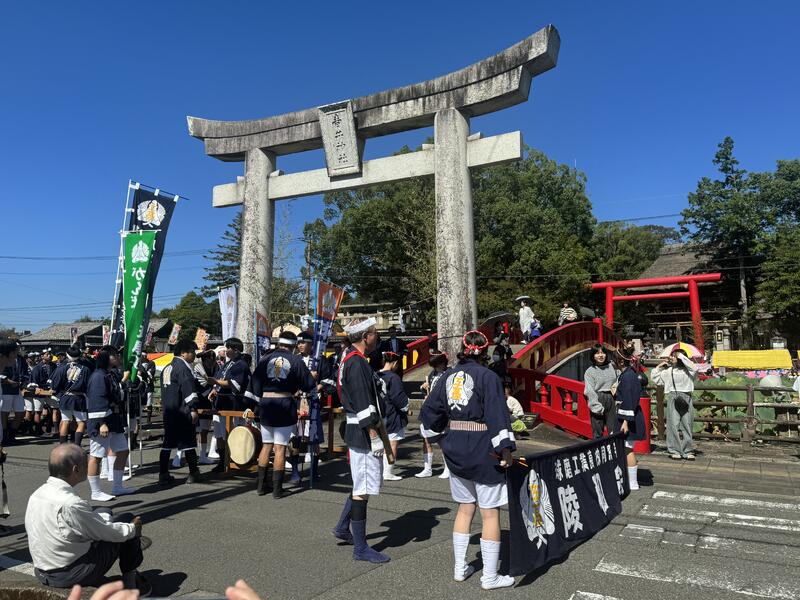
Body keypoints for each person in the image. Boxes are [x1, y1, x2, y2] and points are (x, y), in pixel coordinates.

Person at [421, 330, 516, 590]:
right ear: (484, 351)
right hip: (483, 447)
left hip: (455, 447)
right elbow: (497, 414)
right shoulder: (488, 376)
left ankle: (460, 568)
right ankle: (490, 576)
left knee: (465, 508)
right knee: (490, 513)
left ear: (463, 350)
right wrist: (506, 449)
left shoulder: (447, 376)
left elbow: (429, 411)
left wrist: (440, 438)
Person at [24, 444, 149, 593]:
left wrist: (103, 519)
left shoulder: (37, 494)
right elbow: (109, 533)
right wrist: (133, 529)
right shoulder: (70, 503)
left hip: (42, 570)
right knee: (128, 522)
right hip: (69, 573)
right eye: (86, 463)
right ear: (75, 469)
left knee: (104, 511)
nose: (89, 466)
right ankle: (131, 583)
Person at [330, 317, 391, 564]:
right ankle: (361, 548)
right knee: (363, 490)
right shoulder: (356, 362)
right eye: (375, 333)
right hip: (363, 431)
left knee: (359, 483)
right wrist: (374, 437)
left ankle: (342, 527)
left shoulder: (350, 358)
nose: (377, 337)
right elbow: (363, 403)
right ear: (365, 337)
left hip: (358, 428)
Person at [246, 331, 315, 498]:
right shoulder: (296, 360)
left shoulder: (264, 359)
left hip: (266, 404)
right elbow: (308, 385)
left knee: (266, 445)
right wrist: (308, 379)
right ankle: (277, 489)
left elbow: (254, 383)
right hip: (283, 404)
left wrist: (254, 405)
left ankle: (261, 486)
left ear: (278, 344)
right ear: (293, 346)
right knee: (280, 448)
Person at [84, 347, 136, 501]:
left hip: (113, 418)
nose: (118, 357)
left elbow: (118, 389)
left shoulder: (110, 373)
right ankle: (95, 492)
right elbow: (96, 401)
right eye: (115, 355)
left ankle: (117, 486)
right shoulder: (98, 376)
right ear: (107, 357)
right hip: (102, 420)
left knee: (123, 450)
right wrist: (101, 423)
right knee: (96, 456)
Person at [159, 339, 203, 485]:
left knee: (167, 443)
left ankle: (163, 473)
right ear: (183, 353)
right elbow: (188, 389)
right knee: (188, 443)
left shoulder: (167, 367)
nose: (194, 355)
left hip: (169, 411)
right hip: (182, 411)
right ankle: (193, 473)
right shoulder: (183, 368)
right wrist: (193, 408)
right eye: (192, 352)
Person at [207, 338, 251, 474]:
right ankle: (222, 461)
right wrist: (214, 389)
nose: (226, 350)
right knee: (219, 434)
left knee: (230, 434)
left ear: (236, 350)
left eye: (228, 348)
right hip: (220, 403)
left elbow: (234, 384)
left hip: (232, 404)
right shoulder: (227, 364)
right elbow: (220, 380)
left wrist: (215, 382)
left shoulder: (241, 364)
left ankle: (233, 461)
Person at [652, 348, 698, 460]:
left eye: (673, 356)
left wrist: (680, 355)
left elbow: (695, 368)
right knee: (673, 425)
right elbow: (656, 378)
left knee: (687, 424)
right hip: (673, 397)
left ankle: (687, 450)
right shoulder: (669, 371)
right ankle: (675, 450)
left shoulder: (689, 371)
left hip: (686, 397)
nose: (671, 357)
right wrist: (659, 366)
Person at [615, 346, 646, 490]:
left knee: (627, 448)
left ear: (621, 361)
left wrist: (625, 422)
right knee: (626, 448)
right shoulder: (628, 374)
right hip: (627, 415)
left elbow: (628, 400)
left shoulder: (628, 376)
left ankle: (633, 482)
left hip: (627, 418)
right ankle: (629, 480)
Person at [415, 349, 449, 479]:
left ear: (442, 362)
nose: (435, 367)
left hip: (440, 410)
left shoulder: (449, 373)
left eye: (436, 364)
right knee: (425, 439)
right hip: (428, 409)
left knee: (441, 440)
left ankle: (448, 468)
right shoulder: (432, 373)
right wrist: (424, 388)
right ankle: (427, 468)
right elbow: (428, 389)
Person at [50, 346, 91, 446]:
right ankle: (77, 446)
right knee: (81, 422)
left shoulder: (61, 368)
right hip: (79, 398)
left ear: (67, 355)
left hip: (65, 397)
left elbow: (55, 386)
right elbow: (88, 385)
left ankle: (62, 446)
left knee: (65, 421)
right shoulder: (85, 369)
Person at [379, 351, 409, 481]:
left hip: (379, 411)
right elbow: (399, 397)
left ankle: (380, 470)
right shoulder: (393, 377)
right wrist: (406, 407)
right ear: (395, 363)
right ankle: (388, 471)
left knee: (380, 443)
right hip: (392, 412)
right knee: (392, 443)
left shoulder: (376, 374)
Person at [583, 344, 620, 439]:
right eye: (597, 353)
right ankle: (598, 448)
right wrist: (596, 406)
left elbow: (619, 377)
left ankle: (614, 447)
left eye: (602, 353)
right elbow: (589, 391)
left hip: (612, 398)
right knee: (598, 432)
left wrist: (616, 386)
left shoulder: (612, 366)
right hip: (598, 398)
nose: (600, 355)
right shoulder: (590, 371)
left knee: (614, 429)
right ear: (593, 356)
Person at [26, 348, 55, 436]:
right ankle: (38, 429)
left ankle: (51, 428)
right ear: (42, 356)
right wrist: (39, 389)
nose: (50, 356)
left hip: (51, 391)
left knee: (54, 409)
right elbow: (34, 382)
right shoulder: (37, 368)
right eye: (47, 354)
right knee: (38, 411)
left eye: (50, 354)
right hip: (39, 391)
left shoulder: (54, 366)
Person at [1, 342, 26, 445]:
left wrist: (24, 383)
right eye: (16, 347)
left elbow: (24, 373)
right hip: (6, 389)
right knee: (4, 413)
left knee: (21, 412)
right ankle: (4, 437)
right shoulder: (4, 357)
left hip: (17, 389)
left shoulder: (20, 359)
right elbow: (1, 374)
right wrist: (10, 382)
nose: (18, 349)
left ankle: (12, 435)